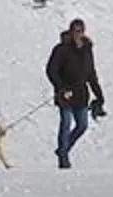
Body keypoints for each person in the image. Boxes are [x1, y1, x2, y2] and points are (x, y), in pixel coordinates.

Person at [46, 17, 107, 168]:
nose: (77, 34)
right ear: (70, 31)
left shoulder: (87, 50)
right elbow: (51, 70)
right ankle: (63, 159)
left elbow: (91, 74)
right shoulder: (61, 49)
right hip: (65, 94)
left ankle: (63, 149)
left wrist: (99, 96)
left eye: (80, 31)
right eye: (75, 31)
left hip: (81, 94)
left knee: (82, 125)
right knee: (65, 123)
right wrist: (61, 88)